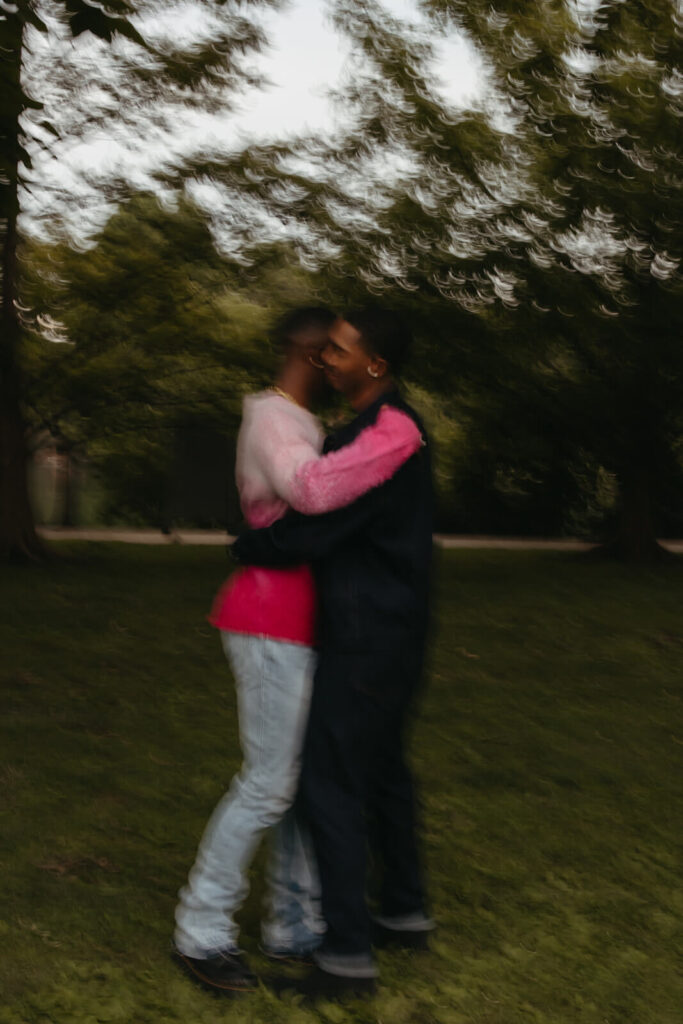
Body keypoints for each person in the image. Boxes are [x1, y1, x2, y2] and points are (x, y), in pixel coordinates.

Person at [173, 307, 423, 995]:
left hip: (304, 623)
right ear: (313, 356)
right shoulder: (273, 420)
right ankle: (200, 932)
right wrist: (396, 438)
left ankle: (292, 926)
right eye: (330, 351)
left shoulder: (308, 424)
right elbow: (311, 496)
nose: (337, 361)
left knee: (298, 783)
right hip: (265, 616)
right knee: (267, 784)